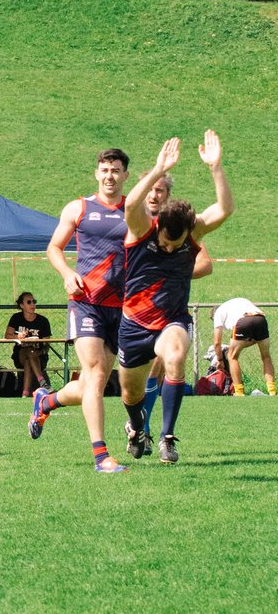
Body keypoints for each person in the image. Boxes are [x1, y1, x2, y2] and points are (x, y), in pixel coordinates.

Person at [119, 132, 234, 464]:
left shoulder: (193, 231)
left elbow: (225, 208)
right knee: (131, 393)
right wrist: (158, 169)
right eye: (166, 243)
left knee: (175, 355)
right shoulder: (142, 229)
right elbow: (130, 204)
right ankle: (137, 428)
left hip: (171, 320)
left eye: (176, 242)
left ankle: (167, 438)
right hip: (134, 323)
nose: (169, 248)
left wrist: (216, 167)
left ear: (188, 231)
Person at [31, 148, 130, 473]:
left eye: (115, 170)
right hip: (85, 302)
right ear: (96, 173)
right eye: (104, 169)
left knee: (93, 383)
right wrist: (67, 273)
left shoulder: (135, 209)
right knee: (97, 372)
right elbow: (54, 247)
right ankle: (101, 456)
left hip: (121, 307)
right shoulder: (79, 208)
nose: (109, 175)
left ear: (125, 175)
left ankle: (46, 401)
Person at [139, 173, 213, 453]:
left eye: (160, 190)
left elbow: (205, 264)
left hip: (170, 314)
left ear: (168, 197)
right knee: (139, 379)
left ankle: (159, 435)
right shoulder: (133, 221)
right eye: (150, 189)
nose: (154, 195)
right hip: (135, 313)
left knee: (163, 363)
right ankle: (138, 428)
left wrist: (171, 276)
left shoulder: (178, 224)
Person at [213, 298, 276, 396]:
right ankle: (272, 391)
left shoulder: (217, 314)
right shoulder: (234, 303)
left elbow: (217, 343)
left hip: (243, 321)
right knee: (266, 356)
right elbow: (251, 338)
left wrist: (220, 360)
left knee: (232, 357)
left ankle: (239, 392)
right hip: (261, 318)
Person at [5, 292, 52, 396]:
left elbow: (46, 342)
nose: (33, 305)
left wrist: (38, 345)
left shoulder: (43, 321)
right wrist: (18, 337)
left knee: (29, 357)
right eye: (29, 302)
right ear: (22, 305)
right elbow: (7, 335)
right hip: (20, 354)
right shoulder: (16, 318)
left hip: (39, 355)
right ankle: (42, 382)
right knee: (28, 352)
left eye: (34, 302)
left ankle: (25, 393)